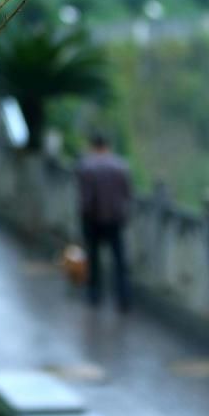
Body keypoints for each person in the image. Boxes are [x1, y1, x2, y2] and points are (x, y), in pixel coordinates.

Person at [76, 132, 132, 311]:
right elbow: (127, 194)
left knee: (94, 258)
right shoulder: (121, 166)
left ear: (93, 146)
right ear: (107, 146)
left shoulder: (86, 167)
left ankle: (94, 295)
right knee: (119, 261)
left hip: (93, 219)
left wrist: (83, 218)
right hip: (115, 220)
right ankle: (123, 299)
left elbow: (85, 199)